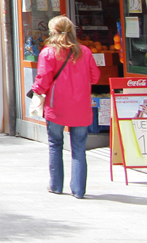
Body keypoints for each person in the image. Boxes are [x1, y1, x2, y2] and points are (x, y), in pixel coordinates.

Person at [31, 15, 100, 198]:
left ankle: (56, 185)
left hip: (56, 107)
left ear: (52, 31)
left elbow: (43, 80)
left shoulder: (48, 53)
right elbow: (95, 77)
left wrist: (35, 91)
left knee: (55, 144)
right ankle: (78, 190)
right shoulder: (85, 51)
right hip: (81, 107)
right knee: (78, 148)